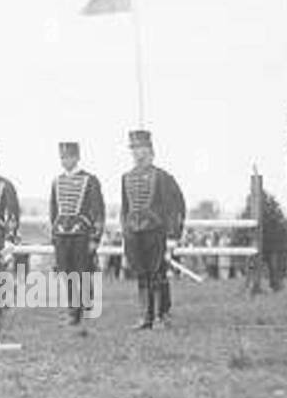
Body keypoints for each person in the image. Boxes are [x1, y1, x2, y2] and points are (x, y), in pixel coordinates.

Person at [120, 130, 186, 330]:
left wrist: (173, 235)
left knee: (157, 273)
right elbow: (125, 208)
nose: (138, 153)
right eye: (135, 149)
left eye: (142, 148)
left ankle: (160, 315)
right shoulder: (126, 177)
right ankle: (144, 317)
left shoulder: (163, 177)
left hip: (156, 232)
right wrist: (125, 230)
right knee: (141, 273)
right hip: (134, 233)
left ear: (151, 151)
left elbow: (176, 207)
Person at [49, 141, 106, 325]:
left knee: (83, 272)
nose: (66, 161)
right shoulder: (56, 181)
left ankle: (86, 305)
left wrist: (95, 237)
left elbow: (98, 210)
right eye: (63, 157)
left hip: (81, 233)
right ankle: (74, 312)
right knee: (67, 273)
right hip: (61, 234)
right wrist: (54, 235)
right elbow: (53, 210)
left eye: (70, 157)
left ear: (77, 157)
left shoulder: (90, 180)